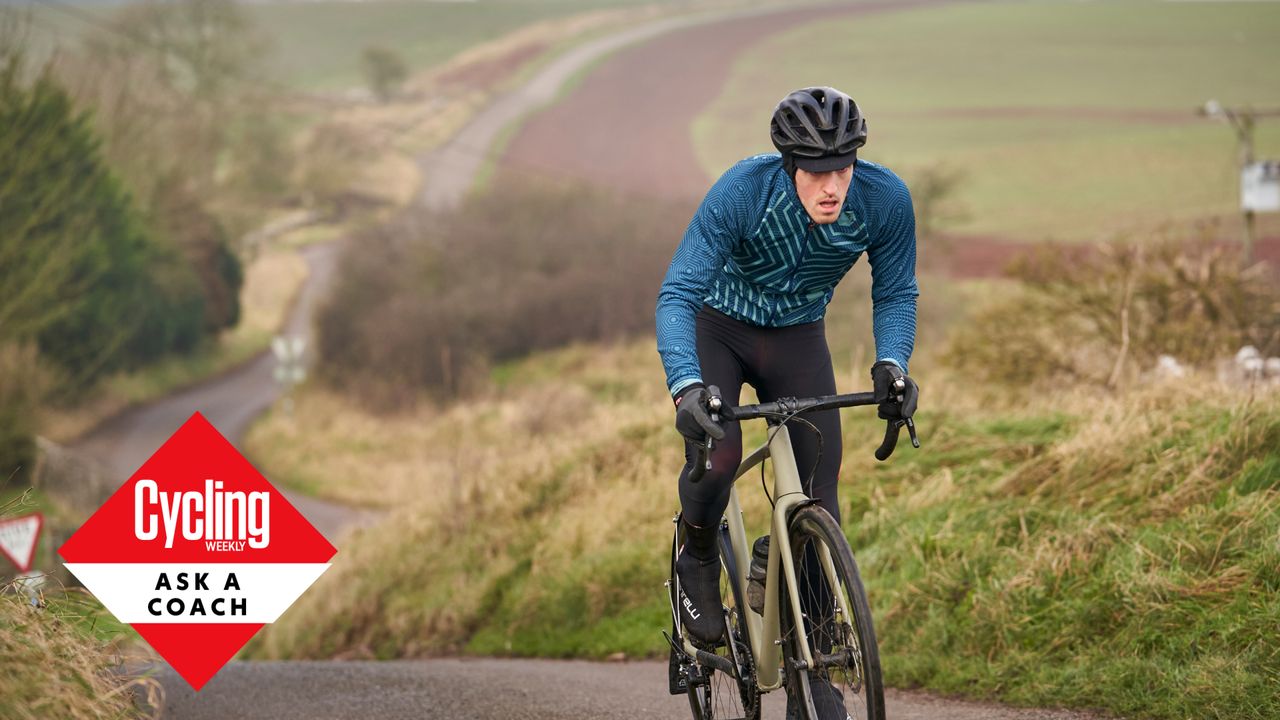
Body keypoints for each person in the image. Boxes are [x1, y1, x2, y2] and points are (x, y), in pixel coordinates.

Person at [655, 86, 920, 717]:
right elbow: (677, 295)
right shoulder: (743, 193)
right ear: (789, 167)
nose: (832, 186)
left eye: (843, 169)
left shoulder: (885, 200)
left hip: (798, 337)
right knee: (720, 457)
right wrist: (688, 387)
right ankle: (697, 554)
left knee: (819, 494)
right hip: (719, 328)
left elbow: (897, 291)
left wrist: (893, 364)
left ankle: (817, 664)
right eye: (817, 173)